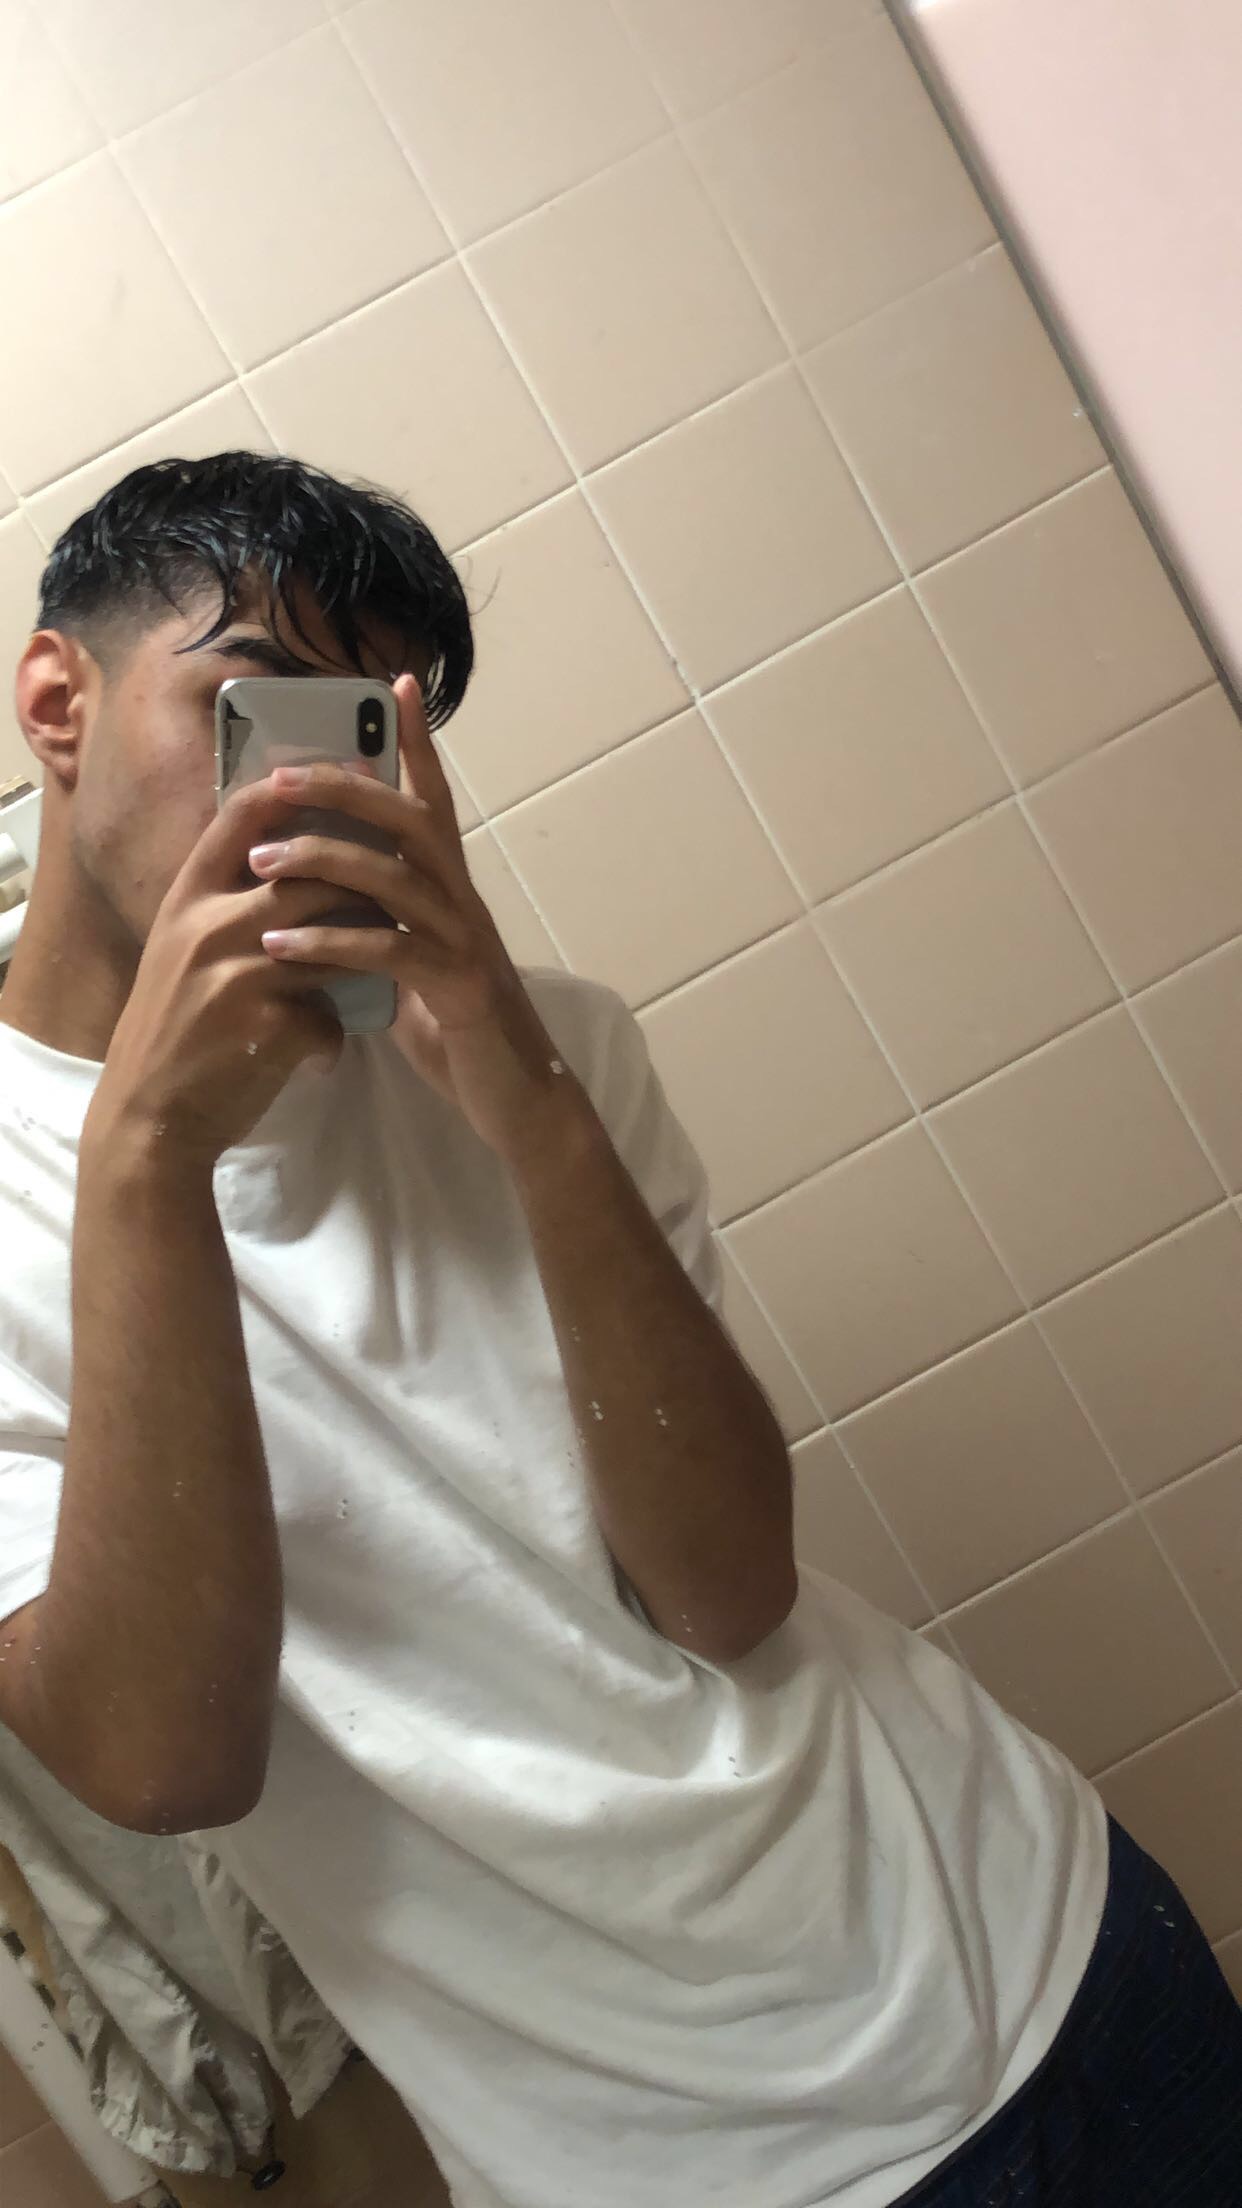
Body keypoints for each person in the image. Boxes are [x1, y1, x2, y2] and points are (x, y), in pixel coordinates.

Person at [0, 452, 1236, 2208]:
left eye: (359, 731)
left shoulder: (540, 1049)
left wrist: (528, 1090)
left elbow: (727, 1588)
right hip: (675, 2169)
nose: (296, 789)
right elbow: (161, 1758)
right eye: (245, 706)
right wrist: (146, 1156)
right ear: (59, 702)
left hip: (1042, 1944)